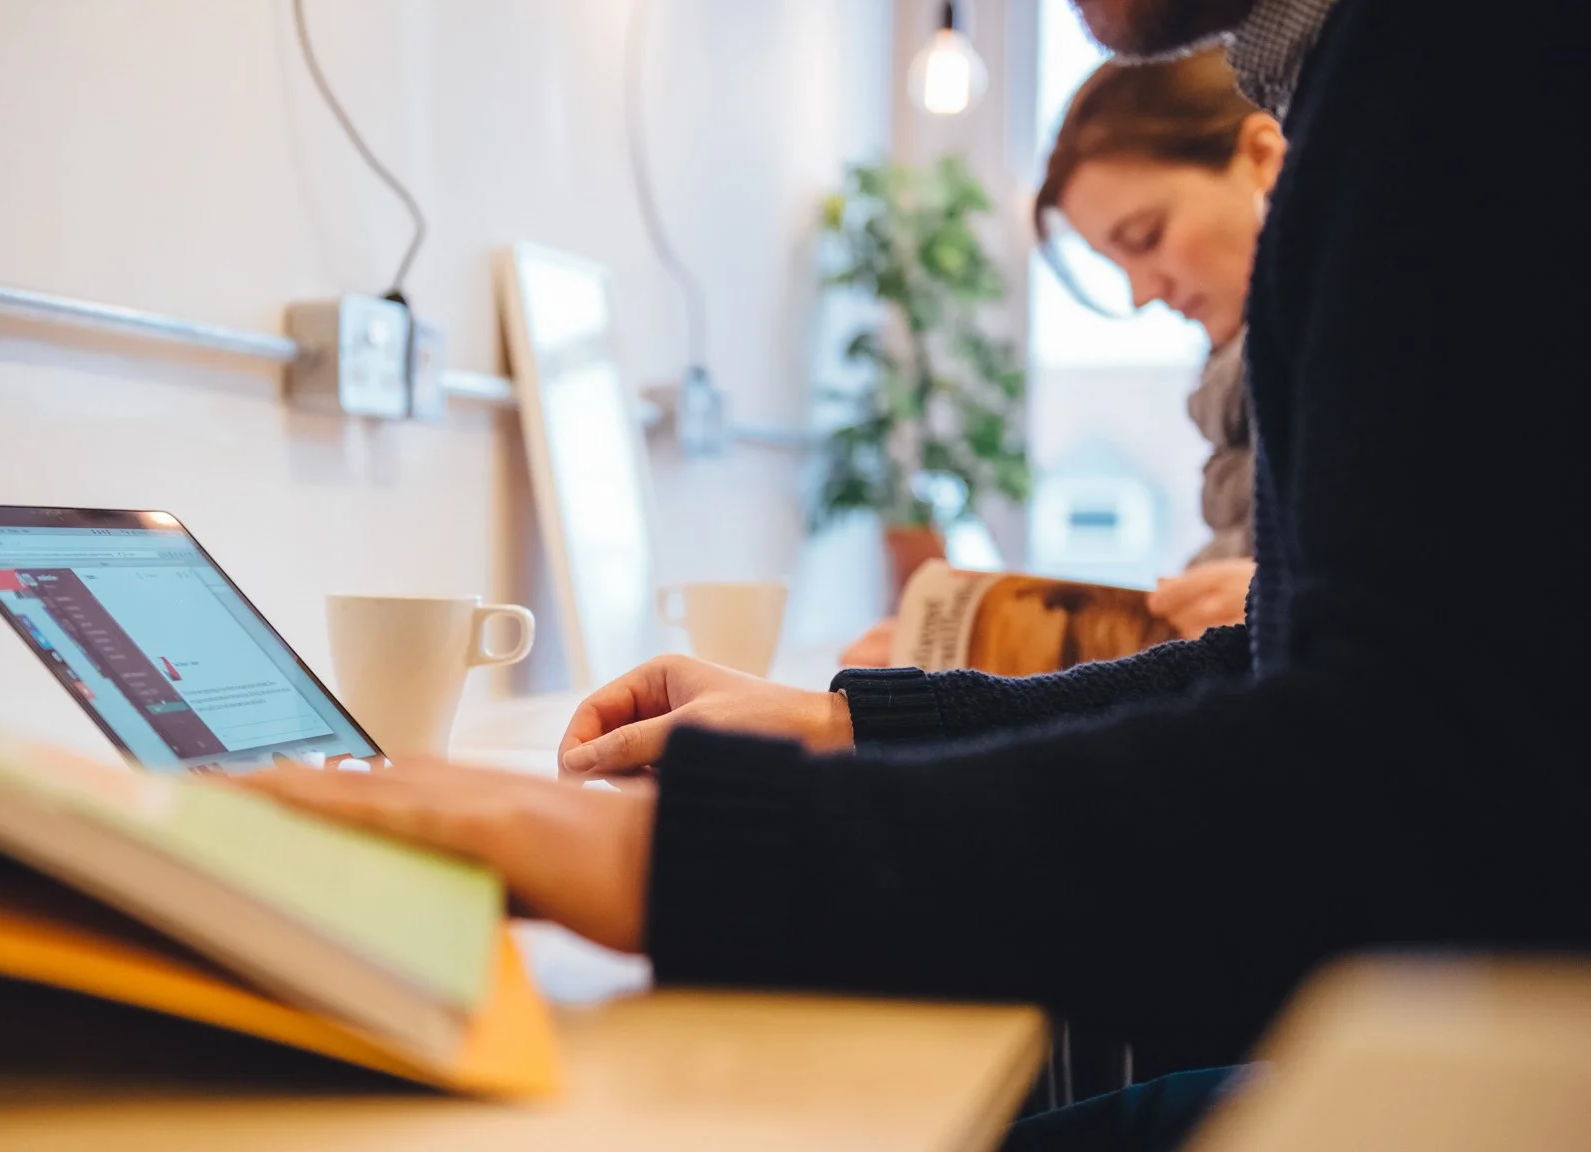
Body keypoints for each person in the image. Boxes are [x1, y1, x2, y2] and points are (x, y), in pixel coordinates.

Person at [237, 0, 1591, 1147]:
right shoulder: (1399, 74)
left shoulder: (1462, 63)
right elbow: (1311, 672)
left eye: (1141, 245)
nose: (1142, 291)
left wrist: (672, 853)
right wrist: (846, 723)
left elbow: (1401, 783)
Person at [840, 48, 1271, 668]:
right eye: (1116, 263)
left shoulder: (1355, 362)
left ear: (1261, 157)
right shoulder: (1240, 407)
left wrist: (1273, 604)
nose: (1142, 292)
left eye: (1145, 238)